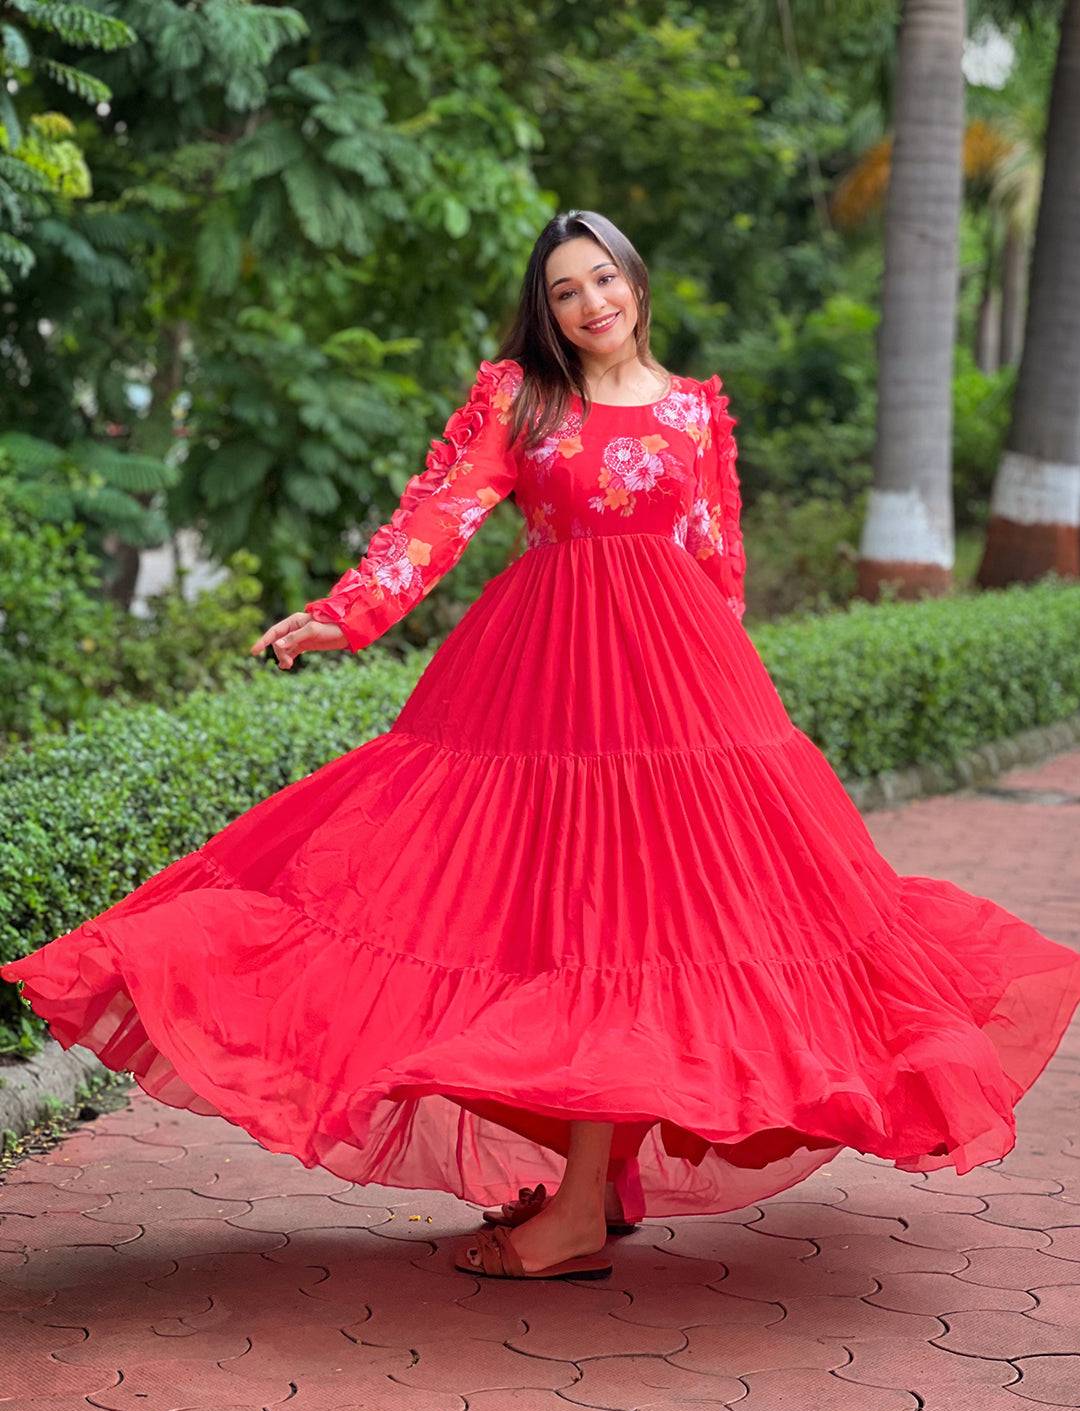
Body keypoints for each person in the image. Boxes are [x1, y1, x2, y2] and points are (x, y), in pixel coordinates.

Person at [6, 210, 1080, 1285]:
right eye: (565, 290)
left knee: (645, 930)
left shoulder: (694, 413)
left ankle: (581, 1206)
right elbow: (442, 515)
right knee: (552, 928)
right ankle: (586, 1195)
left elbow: (717, 566)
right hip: (544, 683)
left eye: (602, 279)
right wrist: (351, 611)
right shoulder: (525, 401)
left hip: (676, 703)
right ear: (548, 310)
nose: (590, 304)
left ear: (636, 283)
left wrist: (720, 722)